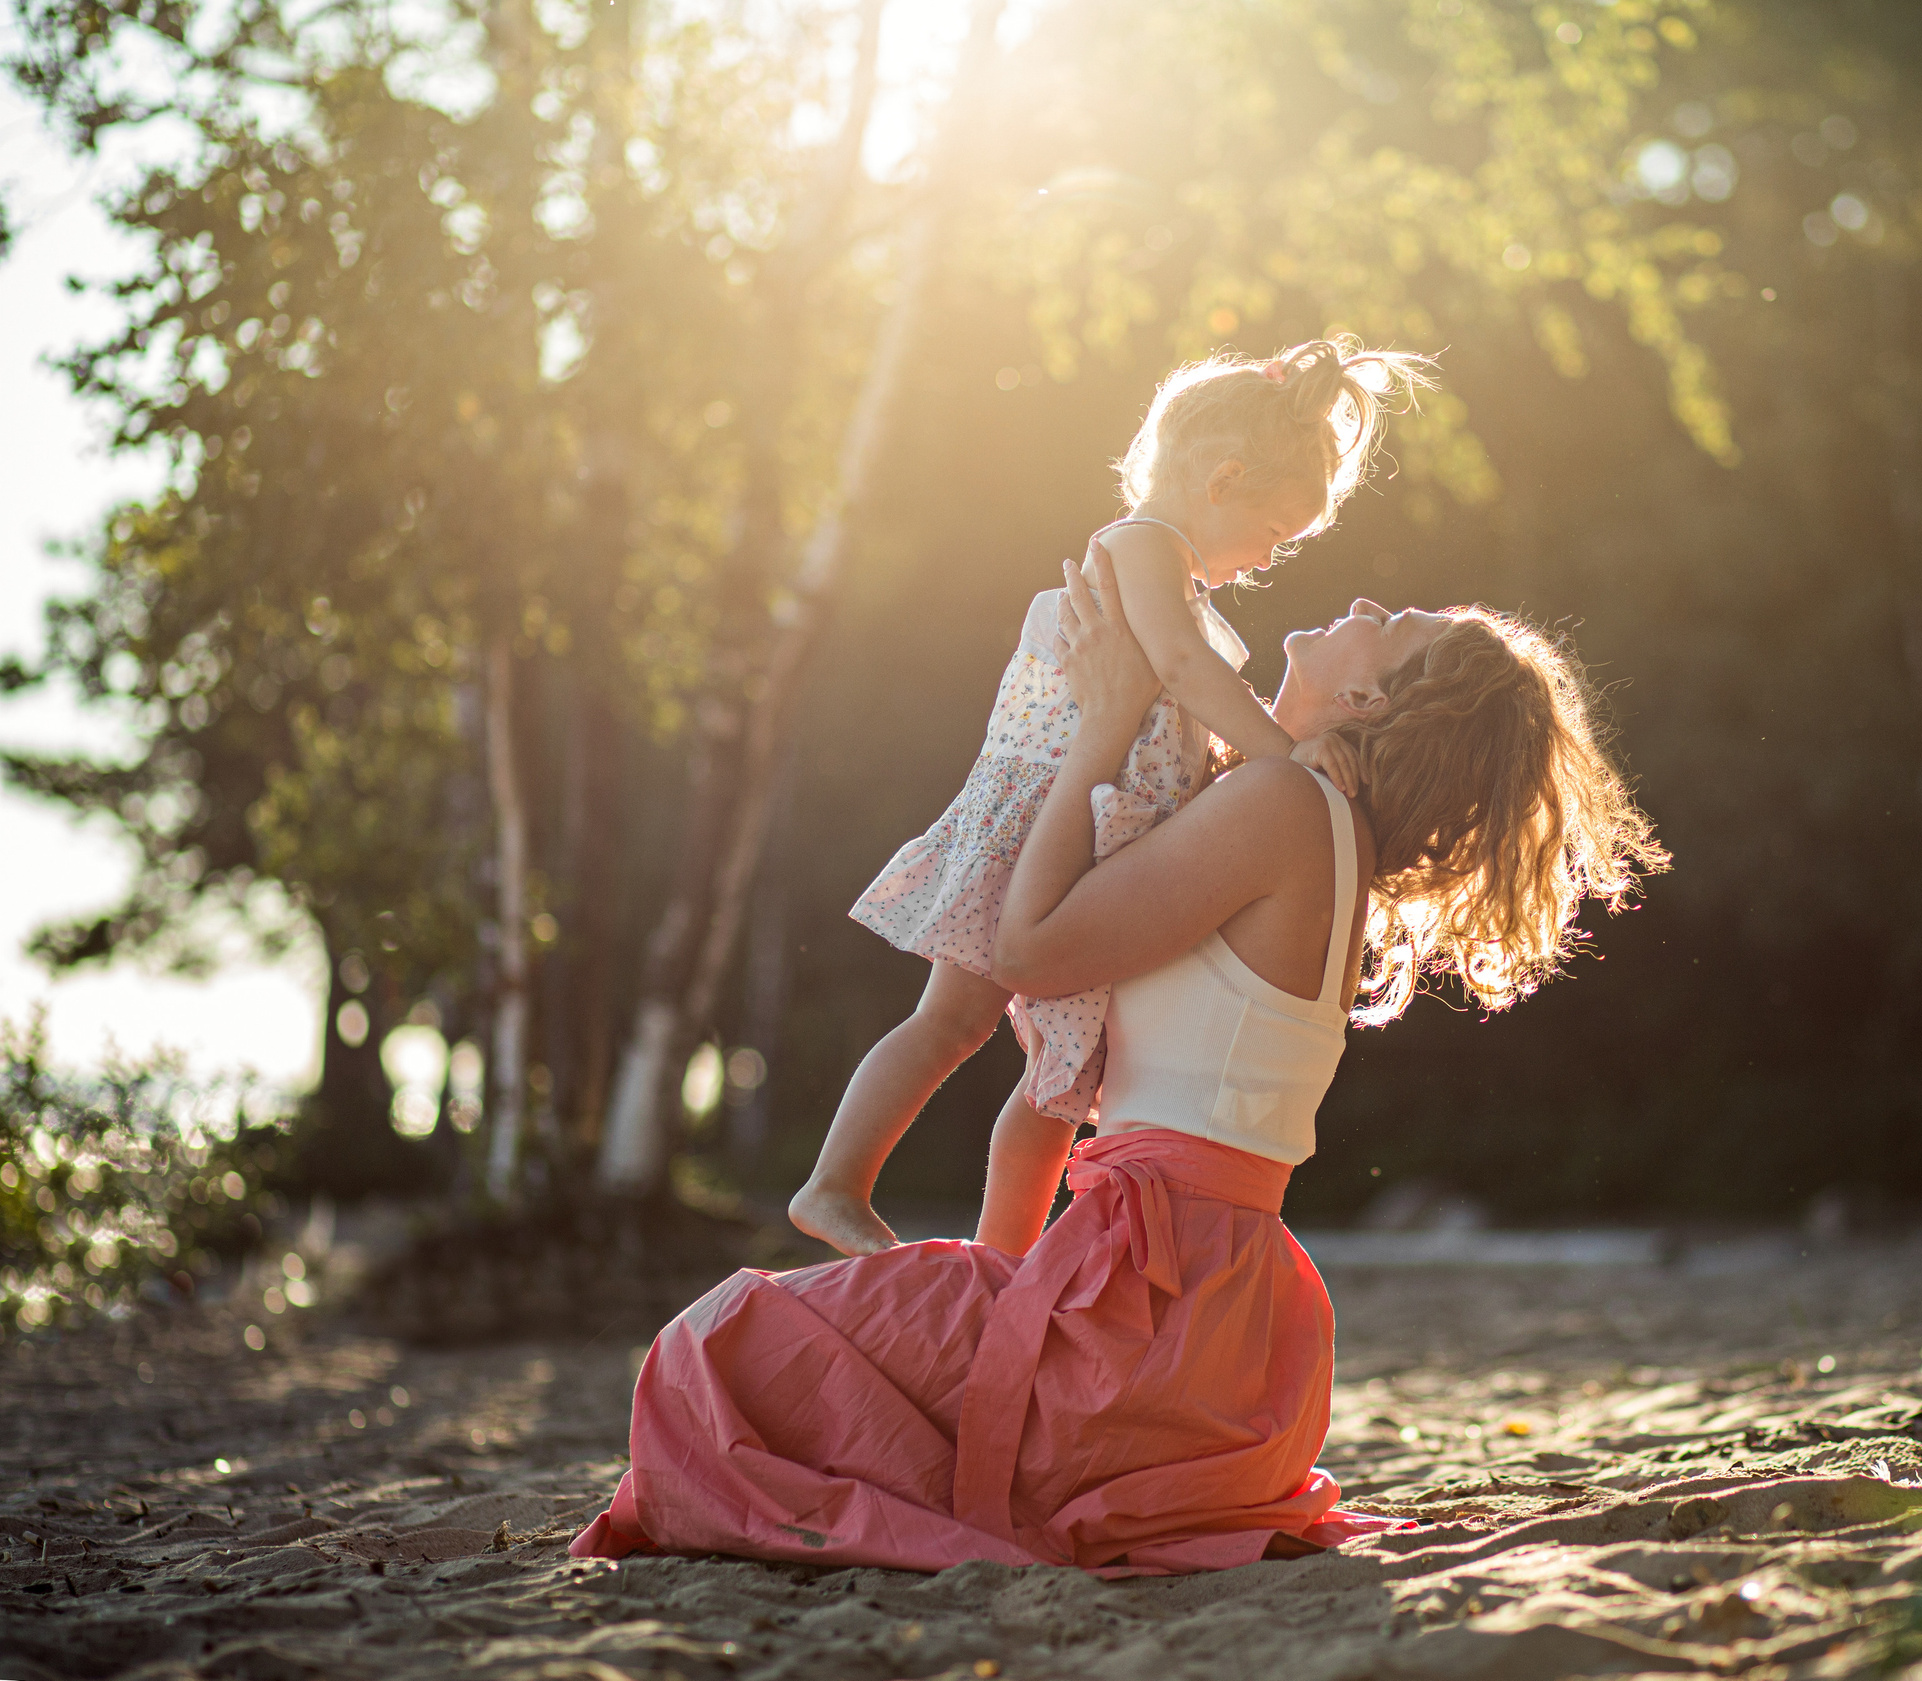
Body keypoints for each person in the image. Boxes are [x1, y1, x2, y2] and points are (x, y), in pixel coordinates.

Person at [571, 554, 1665, 1575]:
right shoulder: (1317, 829)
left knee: (708, 1353)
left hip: (1145, 1323)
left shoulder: (1286, 808)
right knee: (798, 1359)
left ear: (1372, 703)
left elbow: (1026, 950)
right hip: (1205, 1335)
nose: (1368, 607)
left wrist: (1094, 730)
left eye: (1397, 626)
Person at [793, 336, 1435, 1261]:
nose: (1263, 562)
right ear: (1223, 478)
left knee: (1063, 1082)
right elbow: (1177, 670)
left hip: (1099, 831)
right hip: (1041, 815)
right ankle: (834, 1183)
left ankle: (1003, 1261)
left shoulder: (1181, 584)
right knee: (952, 1020)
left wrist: (1279, 746)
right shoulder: (1141, 548)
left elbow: (1192, 697)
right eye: (1273, 536)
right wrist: (1287, 755)